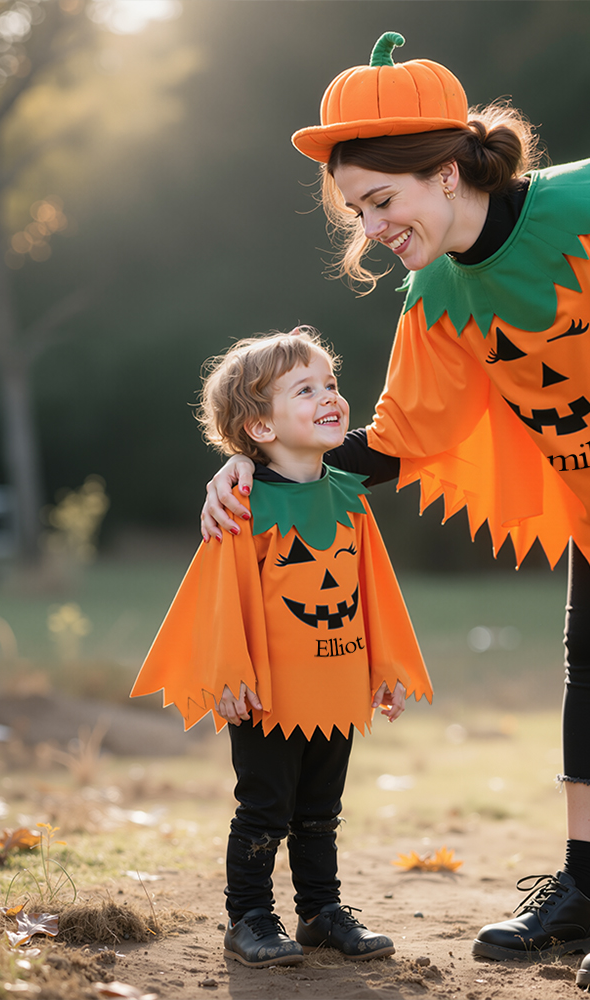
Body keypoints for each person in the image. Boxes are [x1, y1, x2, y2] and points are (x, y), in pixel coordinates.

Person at [201, 33, 590, 993]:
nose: (371, 227)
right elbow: (398, 439)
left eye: (382, 201)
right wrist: (257, 469)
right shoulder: (436, 296)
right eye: (356, 210)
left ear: (446, 173)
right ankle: (586, 892)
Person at [133, 327, 432, 969]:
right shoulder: (243, 505)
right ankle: (248, 918)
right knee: (264, 809)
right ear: (261, 427)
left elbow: (373, 586)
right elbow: (222, 597)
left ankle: (321, 912)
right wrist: (228, 676)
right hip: (268, 693)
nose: (329, 396)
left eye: (331, 384)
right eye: (305, 390)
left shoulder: (349, 493)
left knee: (322, 809)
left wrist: (386, 667)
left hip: (335, 684)